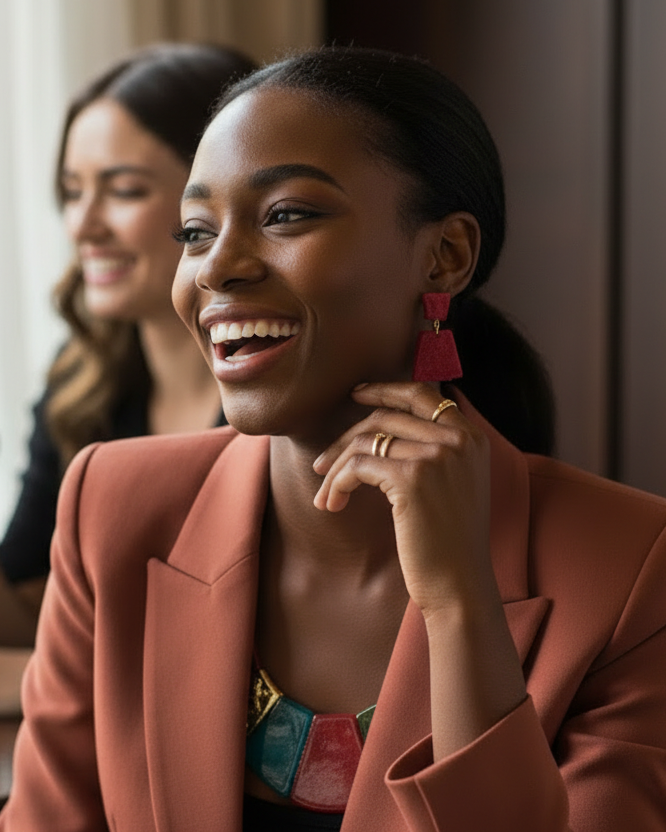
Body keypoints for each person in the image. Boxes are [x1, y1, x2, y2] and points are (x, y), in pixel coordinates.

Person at [2, 46, 665, 831]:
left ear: (446, 256)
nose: (217, 268)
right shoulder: (111, 505)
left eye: (286, 215)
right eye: (195, 230)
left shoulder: (631, 568)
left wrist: (460, 605)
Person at [0, 42, 256, 647]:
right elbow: (30, 599)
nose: (83, 225)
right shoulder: (82, 378)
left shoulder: (284, 383)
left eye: (124, 191)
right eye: (72, 191)